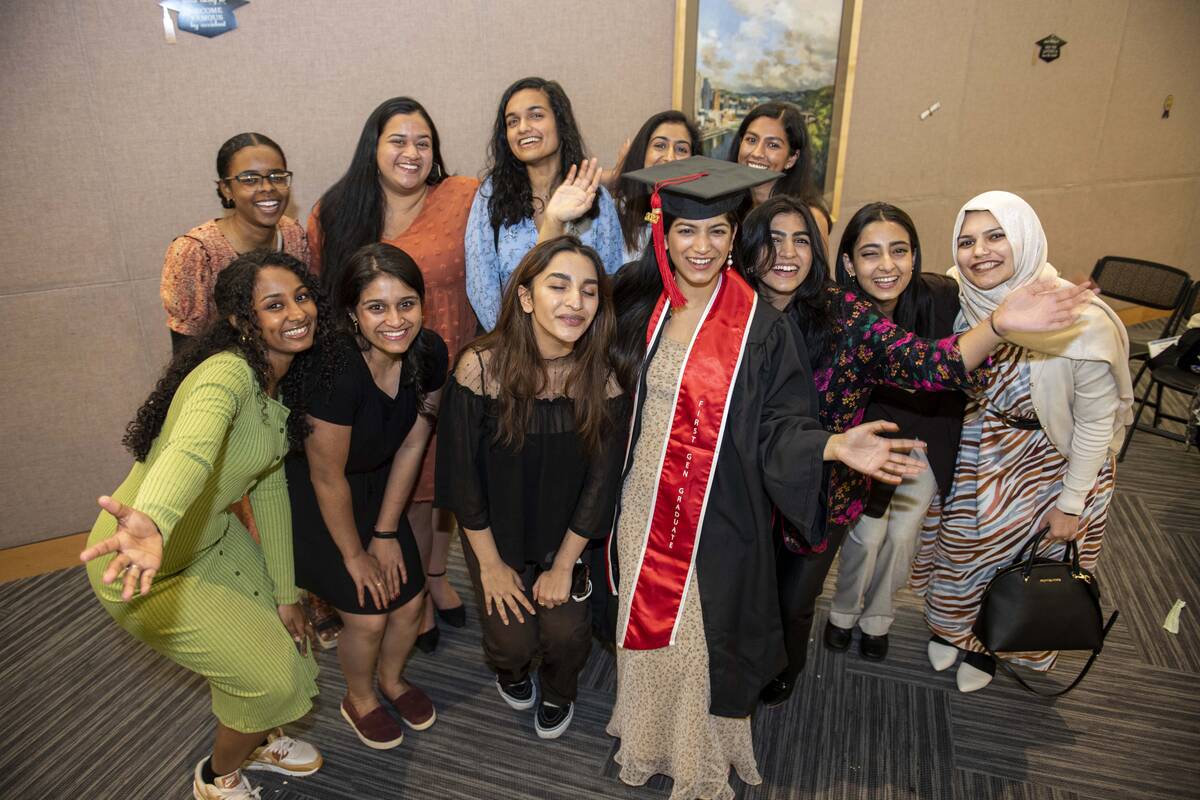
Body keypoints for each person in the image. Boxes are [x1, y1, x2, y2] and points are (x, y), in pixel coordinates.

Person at [607, 157, 928, 799]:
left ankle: (697, 753)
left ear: (733, 239)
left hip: (716, 507)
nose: (702, 246)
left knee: (700, 637)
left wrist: (834, 444)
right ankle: (645, 733)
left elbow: (781, 422)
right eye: (688, 232)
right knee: (642, 630)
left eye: (718, 231)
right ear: (663, 235)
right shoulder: (640, 303)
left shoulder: (759, 325)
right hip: (643, 497)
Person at [734, 195, 1097, 706]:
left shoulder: (841, 314)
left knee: (795, 600)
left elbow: (926, 362)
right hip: (741, 486)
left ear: (818, 252)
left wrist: (995, 327)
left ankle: (782, 672)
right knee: (744, 590)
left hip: (821, 491)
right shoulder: (728, 312)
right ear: (748, 250)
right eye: (773, 240)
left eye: (801, 240)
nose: (788, 253)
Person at [82, 251, 334, 799]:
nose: (297, 312)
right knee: (269, 678)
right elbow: (190, 452)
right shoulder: (226, 374)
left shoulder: (278, 382)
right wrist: (154, 521)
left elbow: (266, 487)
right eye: (274, 305)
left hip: (212, 540)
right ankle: (217, 778)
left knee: (288, 641)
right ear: (244, 322)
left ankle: (261, 736)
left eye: (302, 296)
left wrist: (288, 592)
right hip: (140, 561)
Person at [910, 191, 1133, 693]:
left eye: (996, 236)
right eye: (966, 241)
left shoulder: (1079, 319)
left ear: (1025, 239)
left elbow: (1097, 423)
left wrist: (1072, 503)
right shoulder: (962, 302)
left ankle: (993, 647)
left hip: (1051, 463)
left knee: (1019, 560)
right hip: (978, 449)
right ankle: (954, 631)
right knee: (962, 550)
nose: (978, 252)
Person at [436, 236, 628, 739]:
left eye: (589, 291)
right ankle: (512, 673)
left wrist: (565, 565)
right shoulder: (479, 367)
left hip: (567, 536)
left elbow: (601, 483)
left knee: (566, 639)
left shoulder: (603, 376)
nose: (575, 303)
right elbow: (461, 479)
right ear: (525, 297)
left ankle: (561, 692)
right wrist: (491, 565)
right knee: (512, 643)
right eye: (558, 286)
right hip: (496, 535)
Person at [308, 96, 475, 652]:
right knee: (392, 479)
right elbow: (326, 297)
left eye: (423, 142)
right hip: (370, 376)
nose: (411, 152)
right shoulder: (335, 211)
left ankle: (432, 576)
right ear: (373, 147)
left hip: (441, 364)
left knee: (432, 482)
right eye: (398, 140)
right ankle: (411, 587)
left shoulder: (464, 197)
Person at [287, 243, 446, 748]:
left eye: (407, 304)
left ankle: (392, 680)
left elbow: (414, 442)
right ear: (353, 313)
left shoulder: (431, 352)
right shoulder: (331, 369)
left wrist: (384, 530)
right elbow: (326, 475)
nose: (395, 320)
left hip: (380, 489)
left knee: (409, 602)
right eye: (376, 307)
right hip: (319, 499)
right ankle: (359, 698)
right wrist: (355, 553)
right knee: (369, 614)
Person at [824, 202, 966, 661]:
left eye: (899, 251)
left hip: (924, 436)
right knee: (865, 539)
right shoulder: (837, 310)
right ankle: (843, 612)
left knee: (903, 538)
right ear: (849, 263)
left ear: (915, 255)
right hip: (864, 439)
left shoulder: (941, 298)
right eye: (871, 254)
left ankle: (878, 618)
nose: (887, 266)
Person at [465, 76, 623, 331]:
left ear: (561, 122)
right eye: (512, 121)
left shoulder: (596, 197)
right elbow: (481, 286)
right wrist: (511, 343)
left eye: (536, 115)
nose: (523, 127)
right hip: (509, 351)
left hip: (582, 352)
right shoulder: (491, 195)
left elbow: (610, 283)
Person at [162, 132, 309, 354]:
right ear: (226, 189)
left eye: (277, 176)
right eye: (249, 180)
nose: (268, 187)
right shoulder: (196, 252)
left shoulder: (292, 234)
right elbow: (186, 348)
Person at [725, 101, 830, 246]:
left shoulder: (810, 218)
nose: (757, 153)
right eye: (751, 140)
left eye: (773, 145)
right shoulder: (727, 208)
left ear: (792, 158)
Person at [610, 110, 701, 262]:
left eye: (681, 149)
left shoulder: (701, 219)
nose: (670, 158)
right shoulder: (614, 212)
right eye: (660, 145)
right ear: (642, 153)